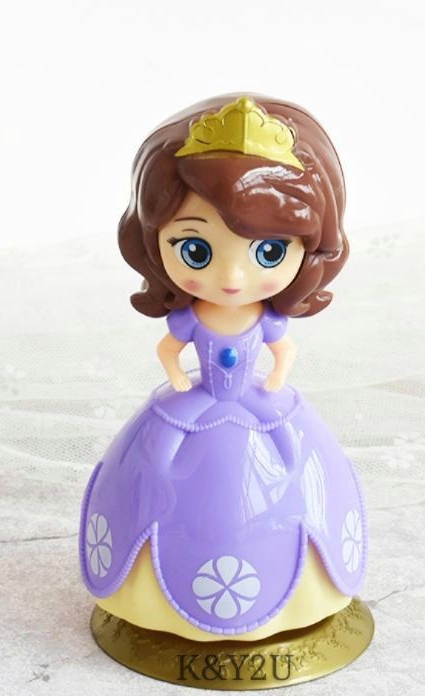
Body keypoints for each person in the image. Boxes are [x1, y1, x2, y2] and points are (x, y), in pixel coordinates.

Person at [79, 94, 368, 642]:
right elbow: (169, 350)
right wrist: (178, 380)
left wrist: (277, 381)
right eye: (196, 250)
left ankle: (292, 590)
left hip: (261, 409)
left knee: (294, 484)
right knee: (158, 482)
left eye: (268, 252)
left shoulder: (267, 321)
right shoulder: (190, 319)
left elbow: (283, 351)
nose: (232, 278)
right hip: (191, 408)